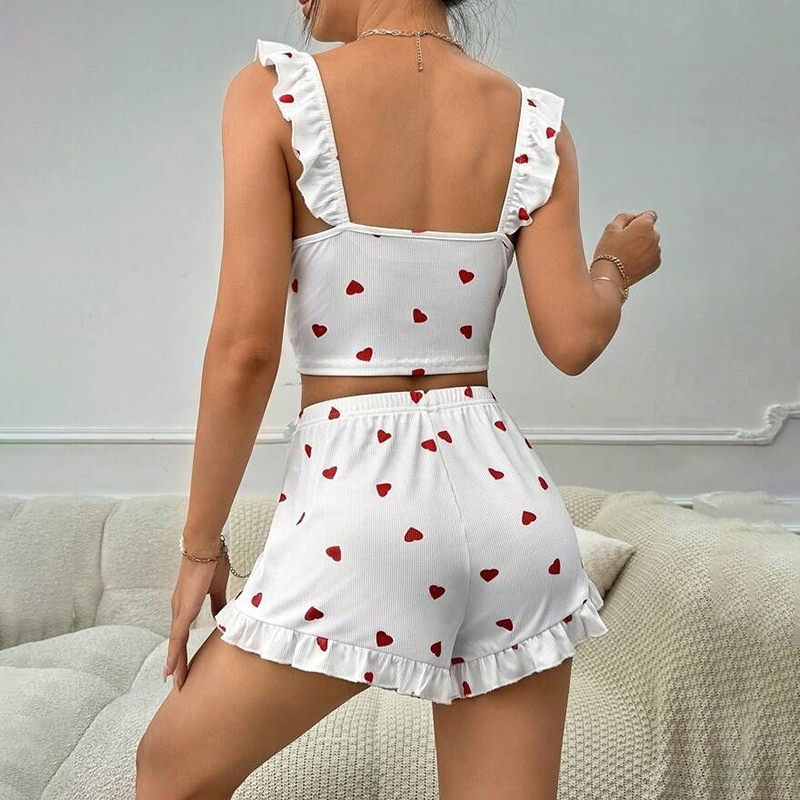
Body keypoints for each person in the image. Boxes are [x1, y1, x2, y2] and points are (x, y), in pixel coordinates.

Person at [135, 1, 661, 798]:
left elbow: (246, 351)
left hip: (364, 513)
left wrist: (200, 548)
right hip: (513, 518)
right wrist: (614, 267)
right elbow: (573, 339)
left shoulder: (275, 94)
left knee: (169, 771)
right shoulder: (535, 124)